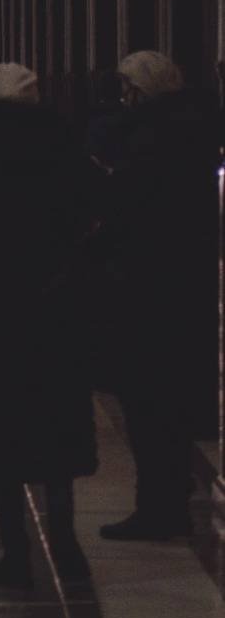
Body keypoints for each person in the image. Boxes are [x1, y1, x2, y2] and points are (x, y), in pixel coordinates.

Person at [0, 63, 96, 587]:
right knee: (56, 428)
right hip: (55, 309)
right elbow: (93, 216)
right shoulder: (66, 153)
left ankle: (15, 554)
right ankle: (67, 548)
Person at [94, 51, 219, 541]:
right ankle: (173, 491)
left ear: (138, 90)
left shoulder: (148, 139)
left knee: (147, 402)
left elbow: (126, 211)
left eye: (126, 89)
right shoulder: (195, 130)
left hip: (147, 289)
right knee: (173, 398)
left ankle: (158, 508)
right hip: (187, 287)